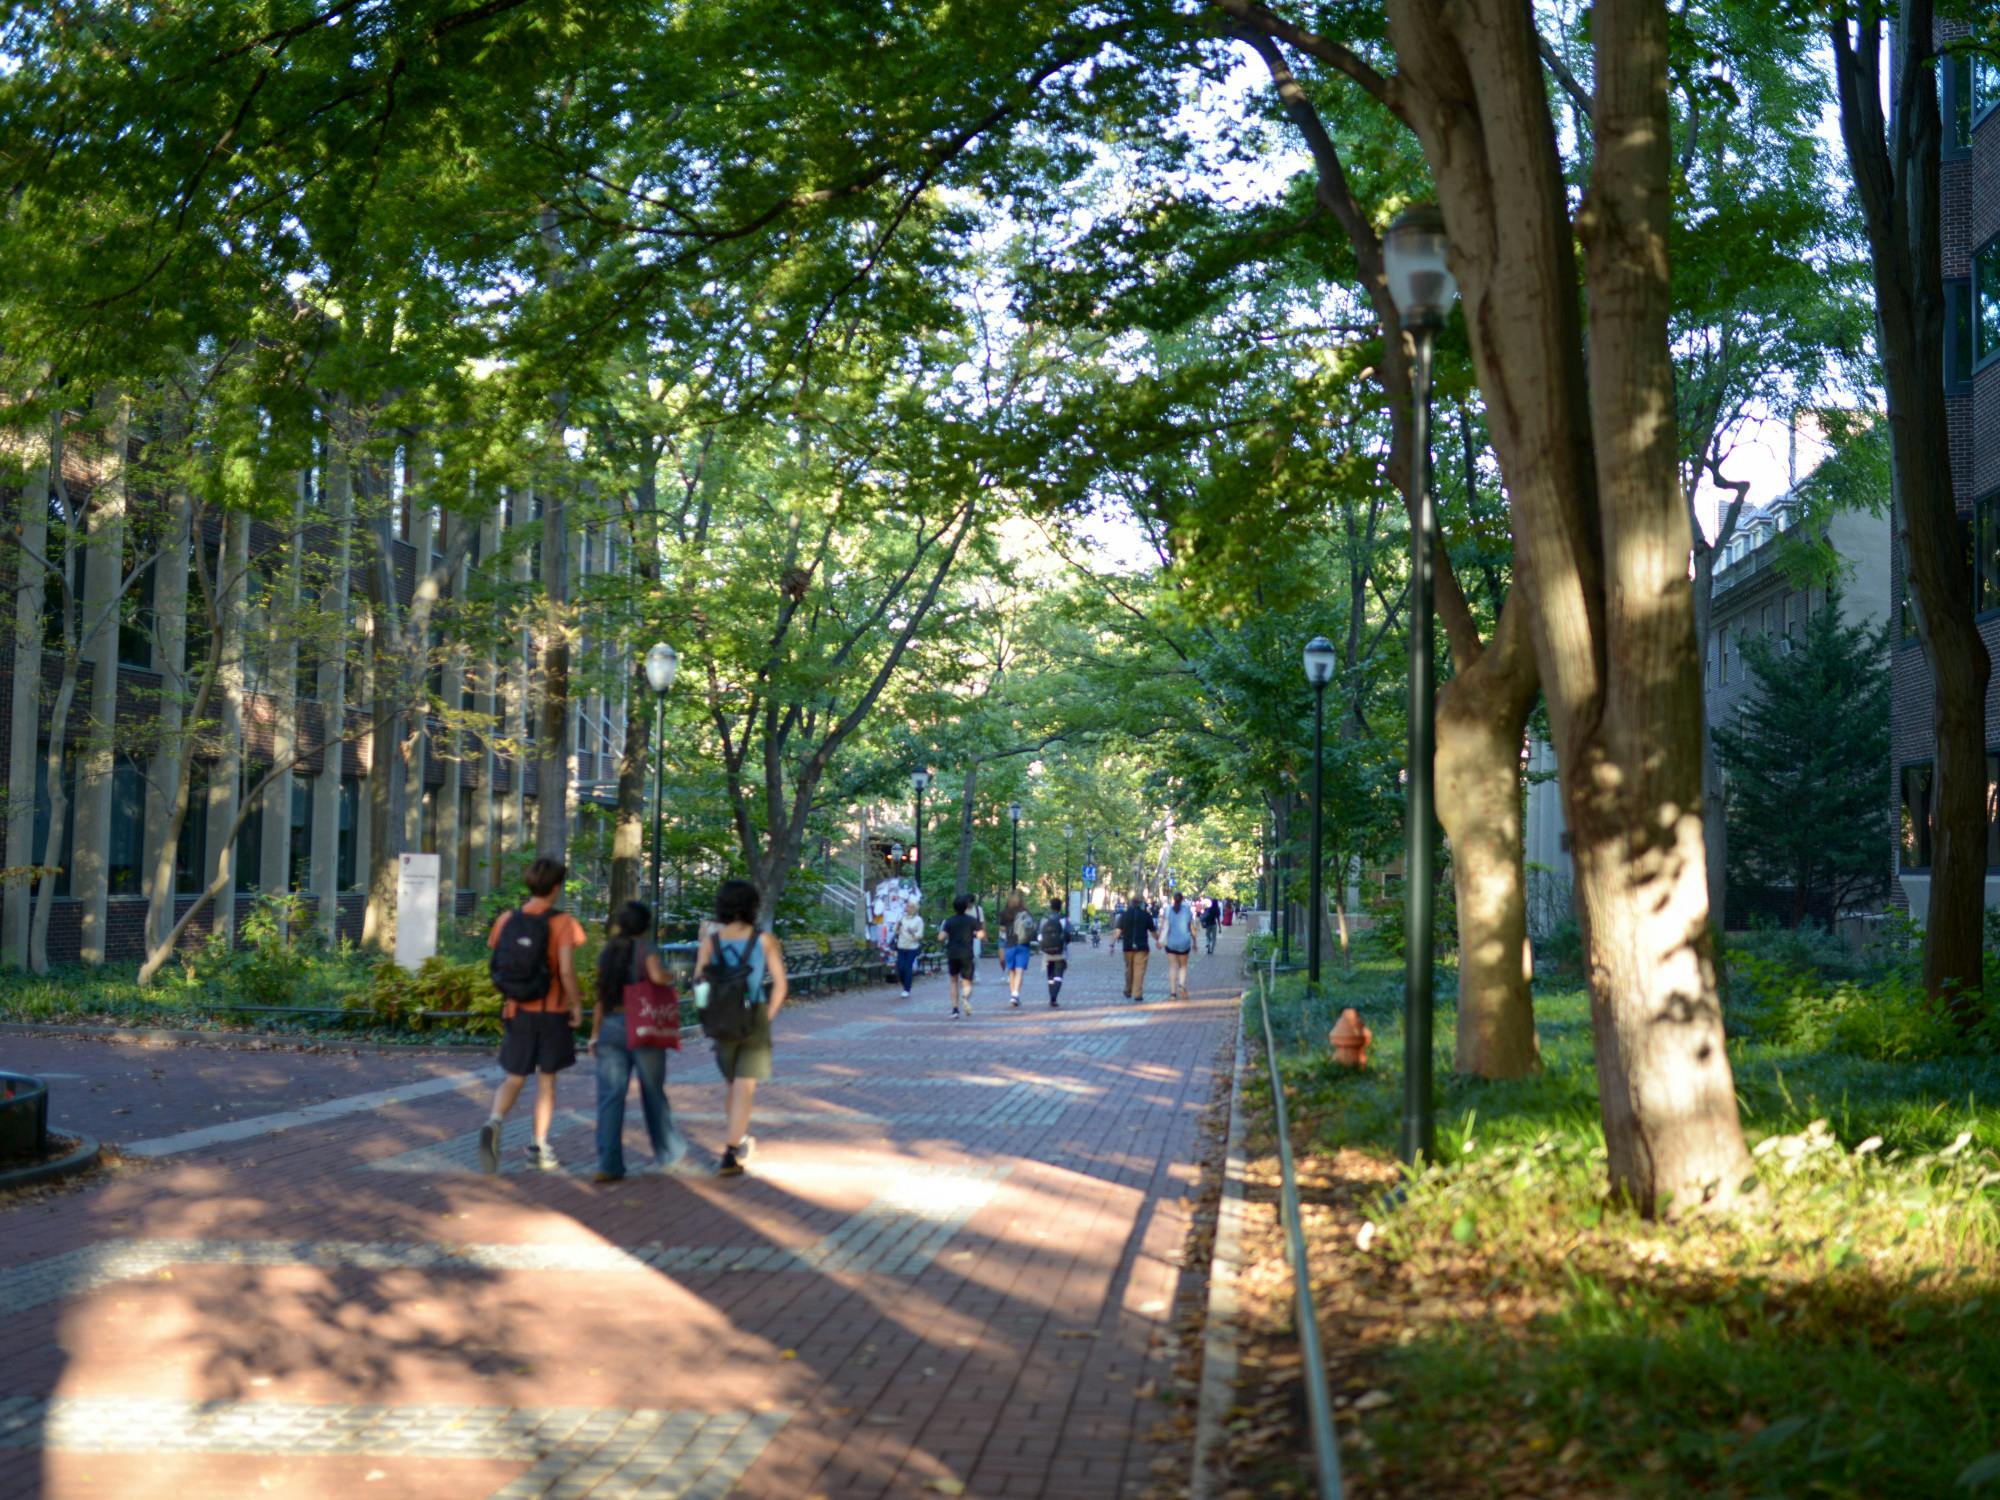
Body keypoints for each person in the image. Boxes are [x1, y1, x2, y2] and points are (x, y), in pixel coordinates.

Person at [480, 857, 587, 1174]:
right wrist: (576, 1004)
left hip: (516, 1009)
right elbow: (566, 971)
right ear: (557, 887)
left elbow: (500, 960)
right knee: (546, 1082)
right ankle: (539, 1147)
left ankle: (494, 1121)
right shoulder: (564, 923)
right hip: (551, 1011)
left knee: (514, 1076)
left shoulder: (506, 920)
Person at [692, 878, 790, 1177]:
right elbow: (781, 985)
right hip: (753, 1014)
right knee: (745, 1086)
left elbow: (698, 983)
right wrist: (767, 1015)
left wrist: (706, 1017)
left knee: (733, 1085)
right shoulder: (764, 941)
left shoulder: (711, 942)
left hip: (722, 1018)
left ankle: (738, 1139)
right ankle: (732, 1149)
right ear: (751, 906)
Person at [588, 900, 689, 1183]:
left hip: (610, 1025)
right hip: (642, 1025)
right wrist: (672, 976)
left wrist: (594, 1034)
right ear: (645, 924)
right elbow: (657, 976)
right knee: (653, 1091)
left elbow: (600, 996)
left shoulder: (608, 952)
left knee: (610, 1097)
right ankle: (668, 1151)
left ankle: (608, 1164)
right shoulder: (647, 948)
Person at [940, 893, 983, 1018]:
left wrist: (948, 935)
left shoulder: (949, 921)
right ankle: (965, 996)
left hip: (953, 953)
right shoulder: (972, 921)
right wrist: (973, 935)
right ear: (966, 907)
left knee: (953, 980)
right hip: (967, 954)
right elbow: (980, 935)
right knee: (967, 981)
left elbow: (941, 937)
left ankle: (955, 1009)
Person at [1115, 891, 1156, 1003]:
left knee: (1129, 969)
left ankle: (1128, 990)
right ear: (1142, 903)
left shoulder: (1125, 914)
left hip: (1127, 947)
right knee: (1139, 970)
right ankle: (1137, 993)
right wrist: (1159, 940)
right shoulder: (1146, 915)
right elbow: (1153, 931)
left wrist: (1112, 944)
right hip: (1142, 947)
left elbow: (1118, 930)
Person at [1162, 890, 1197, 1002]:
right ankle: (1181, 985)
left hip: (1171, 942)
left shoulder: (1167, 910)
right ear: (1182, 899)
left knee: (1172, 967)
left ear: (1173, 899)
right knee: (1183, 966)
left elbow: (1163, 927)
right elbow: (1191, 928)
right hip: (1184, 943)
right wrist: (1195, 942)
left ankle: (1173, 994)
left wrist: (1160, 939)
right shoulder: (1187, 911)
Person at [1001, 891, 1034, 1007]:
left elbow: (1002, 931)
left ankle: (1013, 995)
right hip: (1023, 944)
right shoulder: (1025, 912)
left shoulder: (1004, 913)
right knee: (1019, 970)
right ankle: (1016, 994)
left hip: (1009, 944)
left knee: (1011, 971)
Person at [1038, 897, 1072, 1007]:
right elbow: (1068, 935)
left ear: (1050, 906)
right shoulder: (1063, 919)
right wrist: (1064, 943)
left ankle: (1051, 994)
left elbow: (1039, 935)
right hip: (1060, 952)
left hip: (1047, 951)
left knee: (1050, 975)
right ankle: (1054, 997)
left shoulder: (1044, 919)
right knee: (1059, 975)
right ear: (1060, 907)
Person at [894, 901, 925, 998]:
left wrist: (913, 933)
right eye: (907, 906)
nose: (908, 908)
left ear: (915, 909)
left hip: (912, 947)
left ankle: (906, 989)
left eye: (910, 907)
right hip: (901, 946)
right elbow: (896, 931)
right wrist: (898, 927)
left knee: (908, 967)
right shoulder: (902, 918)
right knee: (900, 968)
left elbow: (920, 935)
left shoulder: (918, 920)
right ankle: (905, 983)